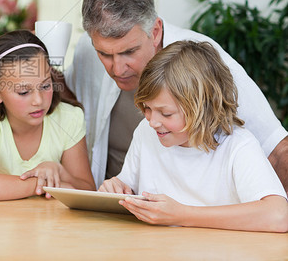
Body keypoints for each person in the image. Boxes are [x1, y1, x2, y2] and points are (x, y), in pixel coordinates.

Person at [63, 0, 288, 190]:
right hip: (118, 205)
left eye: (129, 52)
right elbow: (63, 104)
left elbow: (277, 150)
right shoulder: (87, 50)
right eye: (104, 54)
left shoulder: (204, 65)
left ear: (156, 31)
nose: (117, 69)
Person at [98, 40, 288, 232]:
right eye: (147, 108)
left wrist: (183, 214)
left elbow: (279, 216)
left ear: (202, 108)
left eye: (166, 114)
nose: (152, 121)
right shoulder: (146, 132)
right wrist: (116, 188)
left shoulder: (237, 145)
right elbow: (127, 189)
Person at [0, 30, 96, 201]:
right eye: (24, 92)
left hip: (54, 227)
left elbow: (88, 190)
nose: (38, 101)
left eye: (46, 86)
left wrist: (61, 172)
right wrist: (43, 184)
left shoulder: (69, 118)